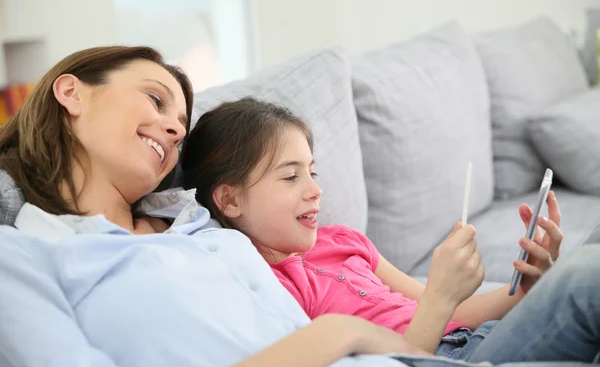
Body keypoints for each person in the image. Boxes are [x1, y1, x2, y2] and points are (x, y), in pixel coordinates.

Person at [0, 45, 461, 367]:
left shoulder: (197, 224)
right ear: (71, 93)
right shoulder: (25, 255)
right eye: (155, 99)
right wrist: (340, 333)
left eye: (180, 123)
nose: (176, 130)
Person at [180, 97, 600, 364]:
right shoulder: (268, 287)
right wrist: (440, 296)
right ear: (230, 200)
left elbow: (451, 314)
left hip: (476, 338)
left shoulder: (343, 239)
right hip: (440, 358)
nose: (315, 190)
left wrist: (528, 289)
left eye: (312, 171)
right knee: (588, 277)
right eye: (290, 178)